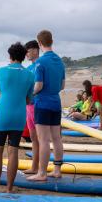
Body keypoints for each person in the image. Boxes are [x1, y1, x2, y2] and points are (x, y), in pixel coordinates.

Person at [0, 42, 34, 192]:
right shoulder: (30, 74)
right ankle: (9, 188)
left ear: (10, 56)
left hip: (3, 115)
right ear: (23, 57)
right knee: (13, 151)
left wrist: (2, 96)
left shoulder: (1, 71)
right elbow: (29, 100)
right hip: (19, 115)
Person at [27, 30, 65, 182]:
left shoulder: (40, 62)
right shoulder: (59, 61)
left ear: (40, 44)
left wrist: (30, 95)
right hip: (56, 102)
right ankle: (57, 170)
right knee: (56, 138)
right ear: (51, 41)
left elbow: (38, 85)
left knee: (43, 140)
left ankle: (41, 173)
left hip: (42, 103)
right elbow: (62, 85)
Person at [22, 40, 41, 174]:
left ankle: (41, 167)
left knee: (42, 138)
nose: (26, 54)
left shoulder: (41, 65)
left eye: (27, 51)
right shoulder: (28, 69)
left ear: (35, 50)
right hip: (29, 106)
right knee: (33, 138)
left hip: (39, 105)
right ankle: (34, 167)